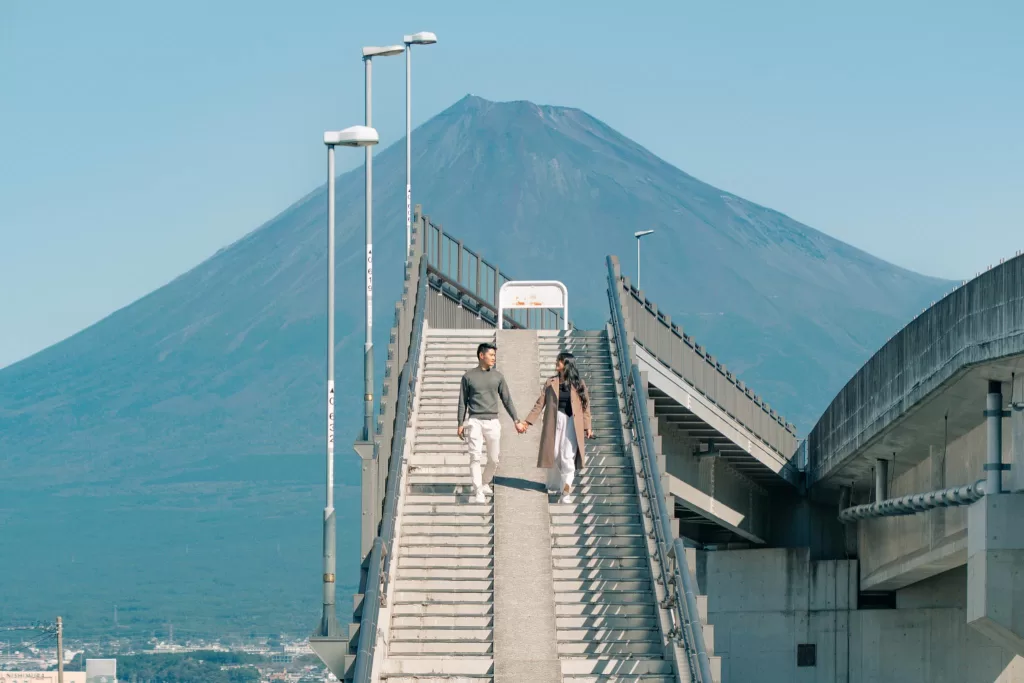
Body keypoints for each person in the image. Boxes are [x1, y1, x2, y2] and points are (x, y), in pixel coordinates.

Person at [457, 342, 527, 503]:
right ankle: (478, 491)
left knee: (494, 459)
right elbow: (462, 401)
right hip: (474, 421)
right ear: (481, 355)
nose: (494, 358)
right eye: (491, 355)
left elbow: (507, 400)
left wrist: (516, 420)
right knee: (475, 457)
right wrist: (460, 423)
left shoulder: (498, 376)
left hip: (493, 421)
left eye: (494, 355)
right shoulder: (468, 377)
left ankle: (484, 482)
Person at [523, 351, 593, 504]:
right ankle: (557, 484)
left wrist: (588, 426)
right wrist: (528, 422)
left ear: (567, 364)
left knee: (568, 457)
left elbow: (585, 406)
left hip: (572, 423)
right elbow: (540, 403)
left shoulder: (579, 383)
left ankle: (566, 492)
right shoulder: (551, 382)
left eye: (559, 361)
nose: (557, 362)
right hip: (555, 421)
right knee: (554, 454)